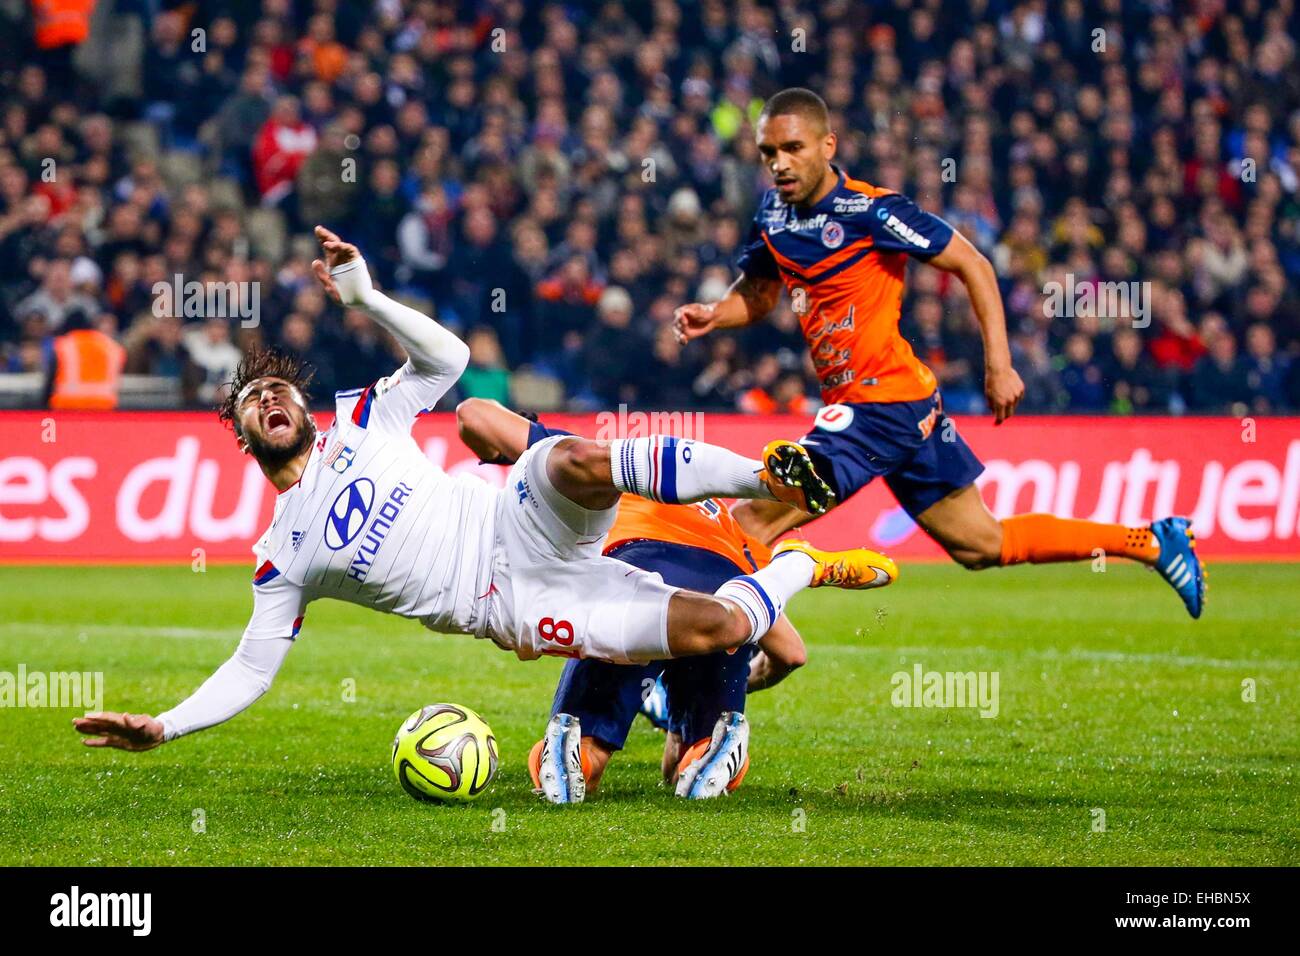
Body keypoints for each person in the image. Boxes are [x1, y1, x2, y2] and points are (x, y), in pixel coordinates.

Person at [73, 226, 897, 753]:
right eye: (253, 402)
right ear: (243, 434)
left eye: (278, 391)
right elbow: (250, 672)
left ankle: (767, 473)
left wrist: (367, 299)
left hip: (517, 516)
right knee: (719, 627)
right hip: (511, 601)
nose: (270, 400)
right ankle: (800, 564)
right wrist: (166, 726)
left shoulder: (365, 421)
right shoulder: (279, 558)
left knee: (575, 458)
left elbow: (449, 364)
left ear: (304, 409)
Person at [673, 89, 1205, 618]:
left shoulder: (872, 211)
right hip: (904, 406)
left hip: (877, 407)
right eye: (769, 153)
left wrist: (999, 364)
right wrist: (716, 313)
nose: (779, 164)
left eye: (793, 148)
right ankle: (1153, 542)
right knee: (982, 544)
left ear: (827, 144)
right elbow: (760, 294)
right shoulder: (772, 214)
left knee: (751, 523)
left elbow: (973, 263)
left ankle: (690, 669)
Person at [455, 399, 819, 802]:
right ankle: (711, 741)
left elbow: (473, 413)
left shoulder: (592, 467)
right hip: (725, 590)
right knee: (695, 748)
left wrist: (499, 447)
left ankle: (570, 750)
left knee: (586, 750)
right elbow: (792, 653)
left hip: (638, 577)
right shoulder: (729, 527)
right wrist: (741, 685)